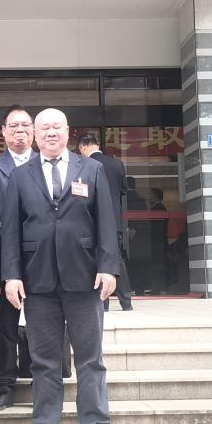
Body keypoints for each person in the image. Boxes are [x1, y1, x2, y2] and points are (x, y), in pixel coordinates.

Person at [2, 108, 120, 424]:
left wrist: (108, 267)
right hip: (37, 281)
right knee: (44, 361)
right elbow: (10, 230)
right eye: (44, 128)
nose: (51, 133)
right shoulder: (20, 175)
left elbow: (107, 221)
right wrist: (11, 275)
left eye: (57, 127)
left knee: (90, 358)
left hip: (85, 278)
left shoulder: (92, 169)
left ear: (68, 132)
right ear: (35, 135)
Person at [0, 104, 37, 412]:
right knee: (5, 325)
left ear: (34, 130)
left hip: (42, 257)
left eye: (25, 125)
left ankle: (44, 378)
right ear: (3, 132)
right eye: (13, 126)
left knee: (45, 321)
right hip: (3, 257)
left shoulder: (48, 162)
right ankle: (2, 384)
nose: (20, 131)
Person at [77, 133, 133, 311]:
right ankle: (126, 302)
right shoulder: (117, 164)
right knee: (117, 260)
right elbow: (124, 190)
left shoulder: (84, 165)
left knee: (94, 260)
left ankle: (104, 303)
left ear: (83, 147)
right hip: (114, 222)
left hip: (90, 221)